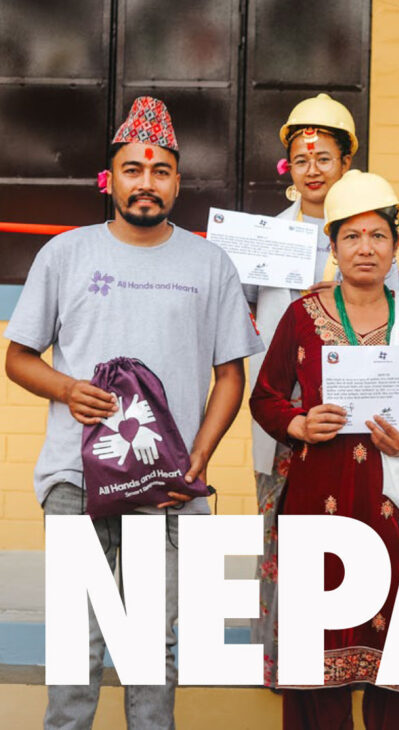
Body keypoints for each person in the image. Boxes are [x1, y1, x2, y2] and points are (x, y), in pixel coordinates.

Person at [4, 96, 263, 729]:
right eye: (133, 169)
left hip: (164, 487)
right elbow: (18, 357)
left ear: (177, 181)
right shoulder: (64, 254)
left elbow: (231, 373)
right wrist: (67, 390)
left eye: (160, 171)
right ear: (111, 177)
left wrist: (197, 456)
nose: (146, 182)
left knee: (150, 649)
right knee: (76, 648)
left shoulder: (209, 263)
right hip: (76, 479)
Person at [250, 169, 399, 730]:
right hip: (319, 499)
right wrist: (298, 424)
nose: (365, 248)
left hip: (396, 508)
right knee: (318, 662)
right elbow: (265, 397)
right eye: (352, 236)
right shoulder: (302, 315)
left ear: (395, 247)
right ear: (333, 246)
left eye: (378, 236)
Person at [247, 93, 398, 690]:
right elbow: (236, 324)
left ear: (346, 162)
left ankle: (364, 663)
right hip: (282, 416)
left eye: (325, 156)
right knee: (284, 544)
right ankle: (287, 665)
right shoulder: (261, 237)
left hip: (363, 429)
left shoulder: (368, 234)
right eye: (301, 157)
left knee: (363, 544)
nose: (313, 168)